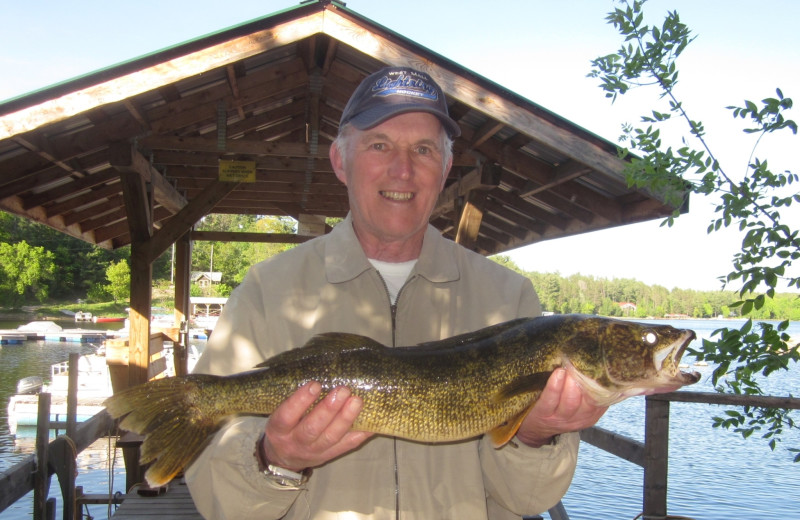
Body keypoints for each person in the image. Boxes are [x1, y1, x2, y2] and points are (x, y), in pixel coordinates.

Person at [185, 66, 607, 520]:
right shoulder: (267, 290)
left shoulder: (510, 298)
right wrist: (276, 460)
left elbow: (526, 501)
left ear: (445, 169)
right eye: (379, 145)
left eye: (423, 150)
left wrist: (534, 435)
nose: (402, 170)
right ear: (340, 161)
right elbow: (218, 501)